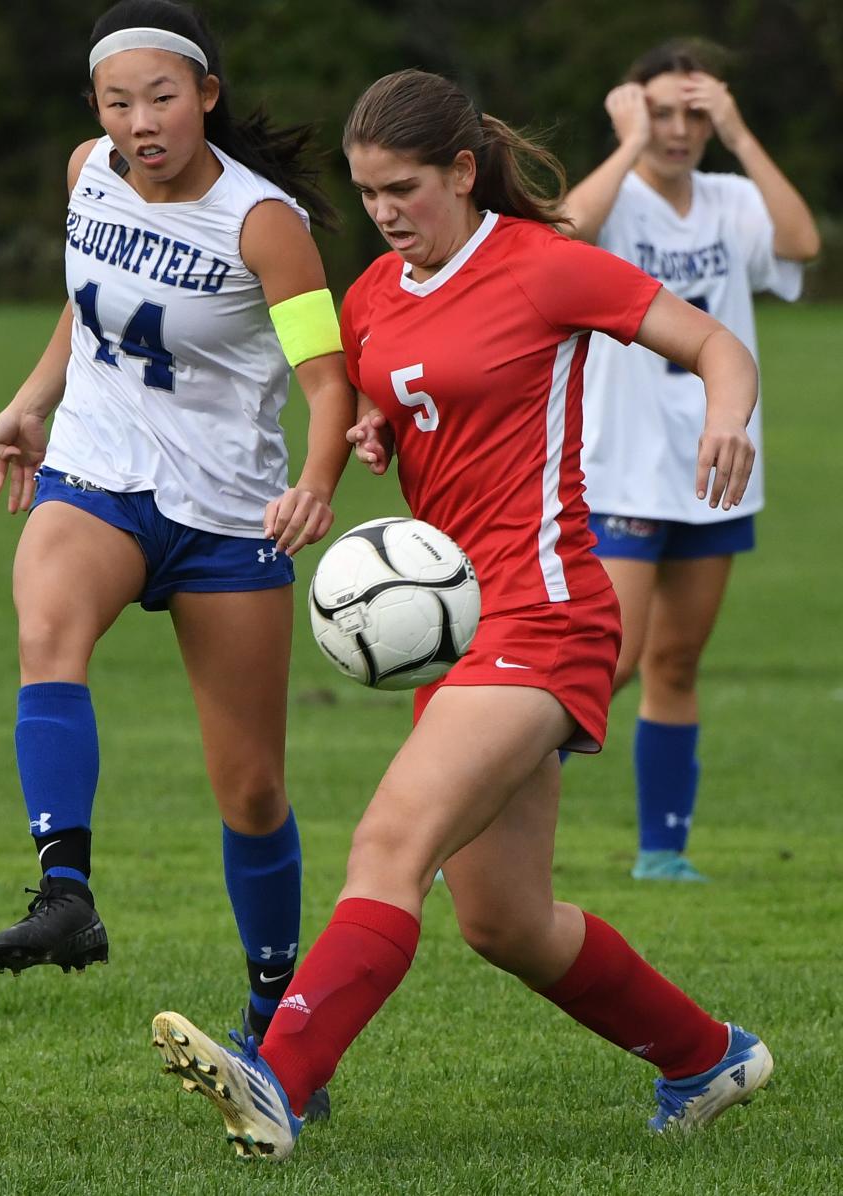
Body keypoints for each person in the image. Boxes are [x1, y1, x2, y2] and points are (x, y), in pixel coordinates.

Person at [149, 68, 774, 1161]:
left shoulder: (545, 270)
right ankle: (706, 1053)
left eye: (405, 188)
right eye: (368, 191)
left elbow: (715, 343)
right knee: (505, 919)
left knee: (390, 841)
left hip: (547, 609)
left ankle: (279, 1078)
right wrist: (377, 435)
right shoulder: (375, 296)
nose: (386, 211)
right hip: (463, 629)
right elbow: (397, 404)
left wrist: (729, 418)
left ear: (463, 172)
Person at [0, 0, 354, 1117]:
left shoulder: (264, 224)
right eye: (117, 101)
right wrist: (33, 398)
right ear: (95, 111)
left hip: (229, 515)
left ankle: (279, 1014)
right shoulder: (85, 173)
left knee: (250, 789)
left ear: (206, 95)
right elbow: (88, 300)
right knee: (47, 627)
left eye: (161, 97)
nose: (140, 121)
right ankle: (66, 888)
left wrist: (318, 478)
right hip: (94, 476)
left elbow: (328, 380)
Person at [563, 39, 820, 881]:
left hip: (717, 472)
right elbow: (566, 230)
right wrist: (629, 142)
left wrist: (743, 134)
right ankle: (477, 817)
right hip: (625, 469)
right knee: (611, 662)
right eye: (661, 113)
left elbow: (802, 242)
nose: (679, 131)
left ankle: (662, 854)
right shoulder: (619, 197)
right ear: (631, 111)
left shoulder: (729, 197)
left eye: (694, 115)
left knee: (675, 664)